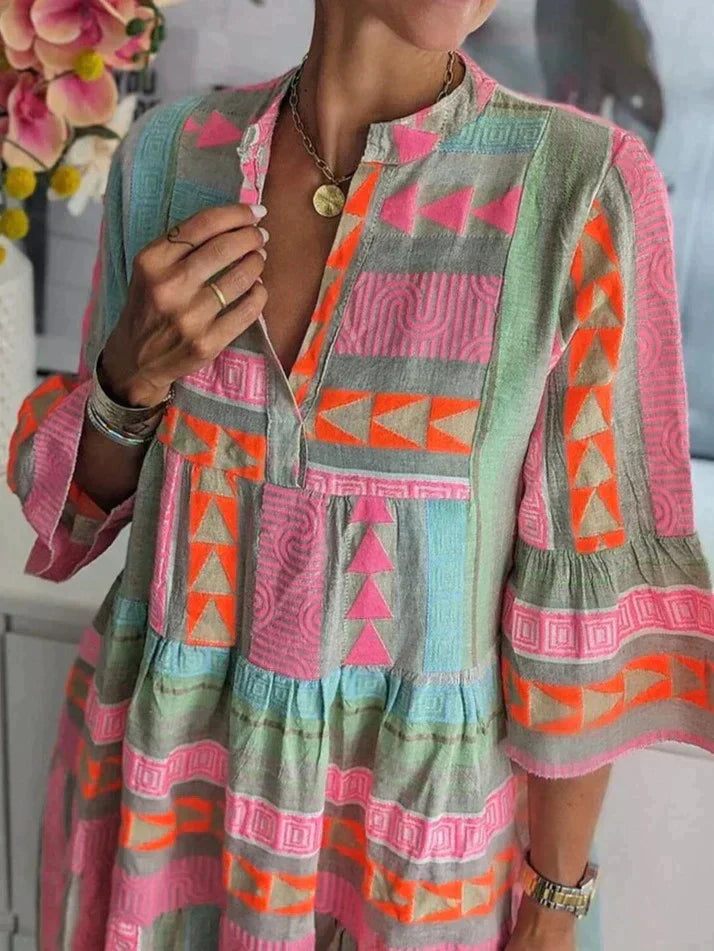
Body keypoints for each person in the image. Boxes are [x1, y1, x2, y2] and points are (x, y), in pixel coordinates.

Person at [6, 1, 714, 949]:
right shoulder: (169, 155)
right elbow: (79, 518)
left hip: (414, 871)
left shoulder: (580, 191)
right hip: (162, 823)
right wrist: (126, 377)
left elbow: (586, 616)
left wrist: (554, 905)